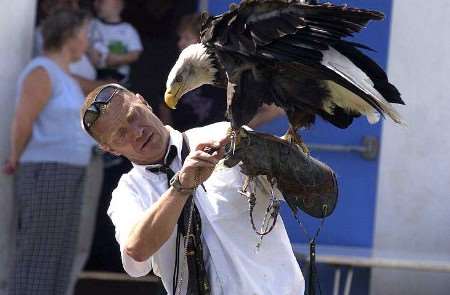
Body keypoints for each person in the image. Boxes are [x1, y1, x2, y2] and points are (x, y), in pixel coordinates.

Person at [80, 83, 305, 294]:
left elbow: (298, 189)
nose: (136, 132)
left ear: (144, 102)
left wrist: (290, 155)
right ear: (110, 149)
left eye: (133, 116)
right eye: (120, 134)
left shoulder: (223, 134)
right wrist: (180, 188)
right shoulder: (127, 193)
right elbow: (137, 253)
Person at [3, 9, 95, 295]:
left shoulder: (66, 76)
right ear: (69, 36)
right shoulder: (41, 71)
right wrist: (15, 157)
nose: (87, 42)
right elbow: (23, 120)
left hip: (70, 169)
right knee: (39, 252)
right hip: (47, 170)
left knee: (62, 252)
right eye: (84, 35)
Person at [90, 0, 143, 84]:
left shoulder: (128, 30)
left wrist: (118, 59)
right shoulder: (92, 24)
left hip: (118, 78)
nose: (95, 3)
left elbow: (135, 54)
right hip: (92, 75)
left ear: (118, 3)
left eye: (101, 1)